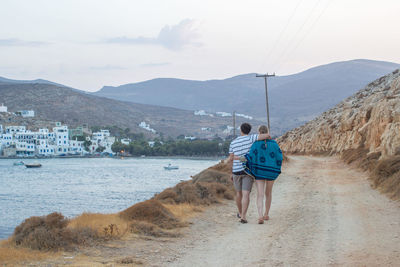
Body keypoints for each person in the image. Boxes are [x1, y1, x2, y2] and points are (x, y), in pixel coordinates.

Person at [227, 123, 270, 224]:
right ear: (249, 130)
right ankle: (243, 216)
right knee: (246, 194)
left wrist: (231, 172)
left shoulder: (233, 142)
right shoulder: (251, 138)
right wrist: (267, 135)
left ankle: (240, 212)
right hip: (247, 170)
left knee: (238, 193)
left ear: (241, 130)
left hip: (236, 171)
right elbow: (266, 136)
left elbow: (231, 159)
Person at [243, 125, 282, 224]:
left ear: (259, 133)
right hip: (271, 172)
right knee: (268, 193)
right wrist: (276, 167)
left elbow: (250, 156)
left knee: (260, 194)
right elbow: (279, 157)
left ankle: (260, 216)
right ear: (267, 132)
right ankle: (266, 214)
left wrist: (242, 160)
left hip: (259, 172)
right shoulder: (274, 144)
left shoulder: (256, 144)